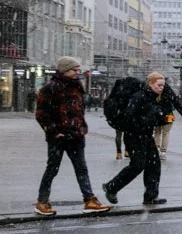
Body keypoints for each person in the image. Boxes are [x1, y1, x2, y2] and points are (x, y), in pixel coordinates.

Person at [34, 57, 112, 216]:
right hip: (58, 137)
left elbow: (79, 110)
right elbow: (41, 114)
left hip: (76, 136)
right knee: (52, 169)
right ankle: (42, 202)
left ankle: (89, 199)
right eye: (74, 70)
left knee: (81, 168)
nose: (77, 72)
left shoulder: (77, 86)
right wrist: (55, 132)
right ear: (64, 70)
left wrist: (81, 128)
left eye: (78, 70)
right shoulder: (50, 88)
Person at [103, 72, 170, 207]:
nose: (161, 88)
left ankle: (150, 196)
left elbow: (150, 115)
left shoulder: (151, 97)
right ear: (151, 83)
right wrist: (148, 120)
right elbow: (130, 116)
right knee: (137, 165)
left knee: (154, 165)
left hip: (146, 136)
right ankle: (111, 187)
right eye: (159, 85)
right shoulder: (139, 96)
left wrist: (160, 118)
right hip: (134, 136)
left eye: (163, 85)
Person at [152, 75, 182, 159]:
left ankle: (156, 149)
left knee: (157, 132)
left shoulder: (154, 90)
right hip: (169, 115)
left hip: (157, 115)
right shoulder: (168, 90)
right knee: (166, 133)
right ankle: (163, 152)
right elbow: (176, 102)